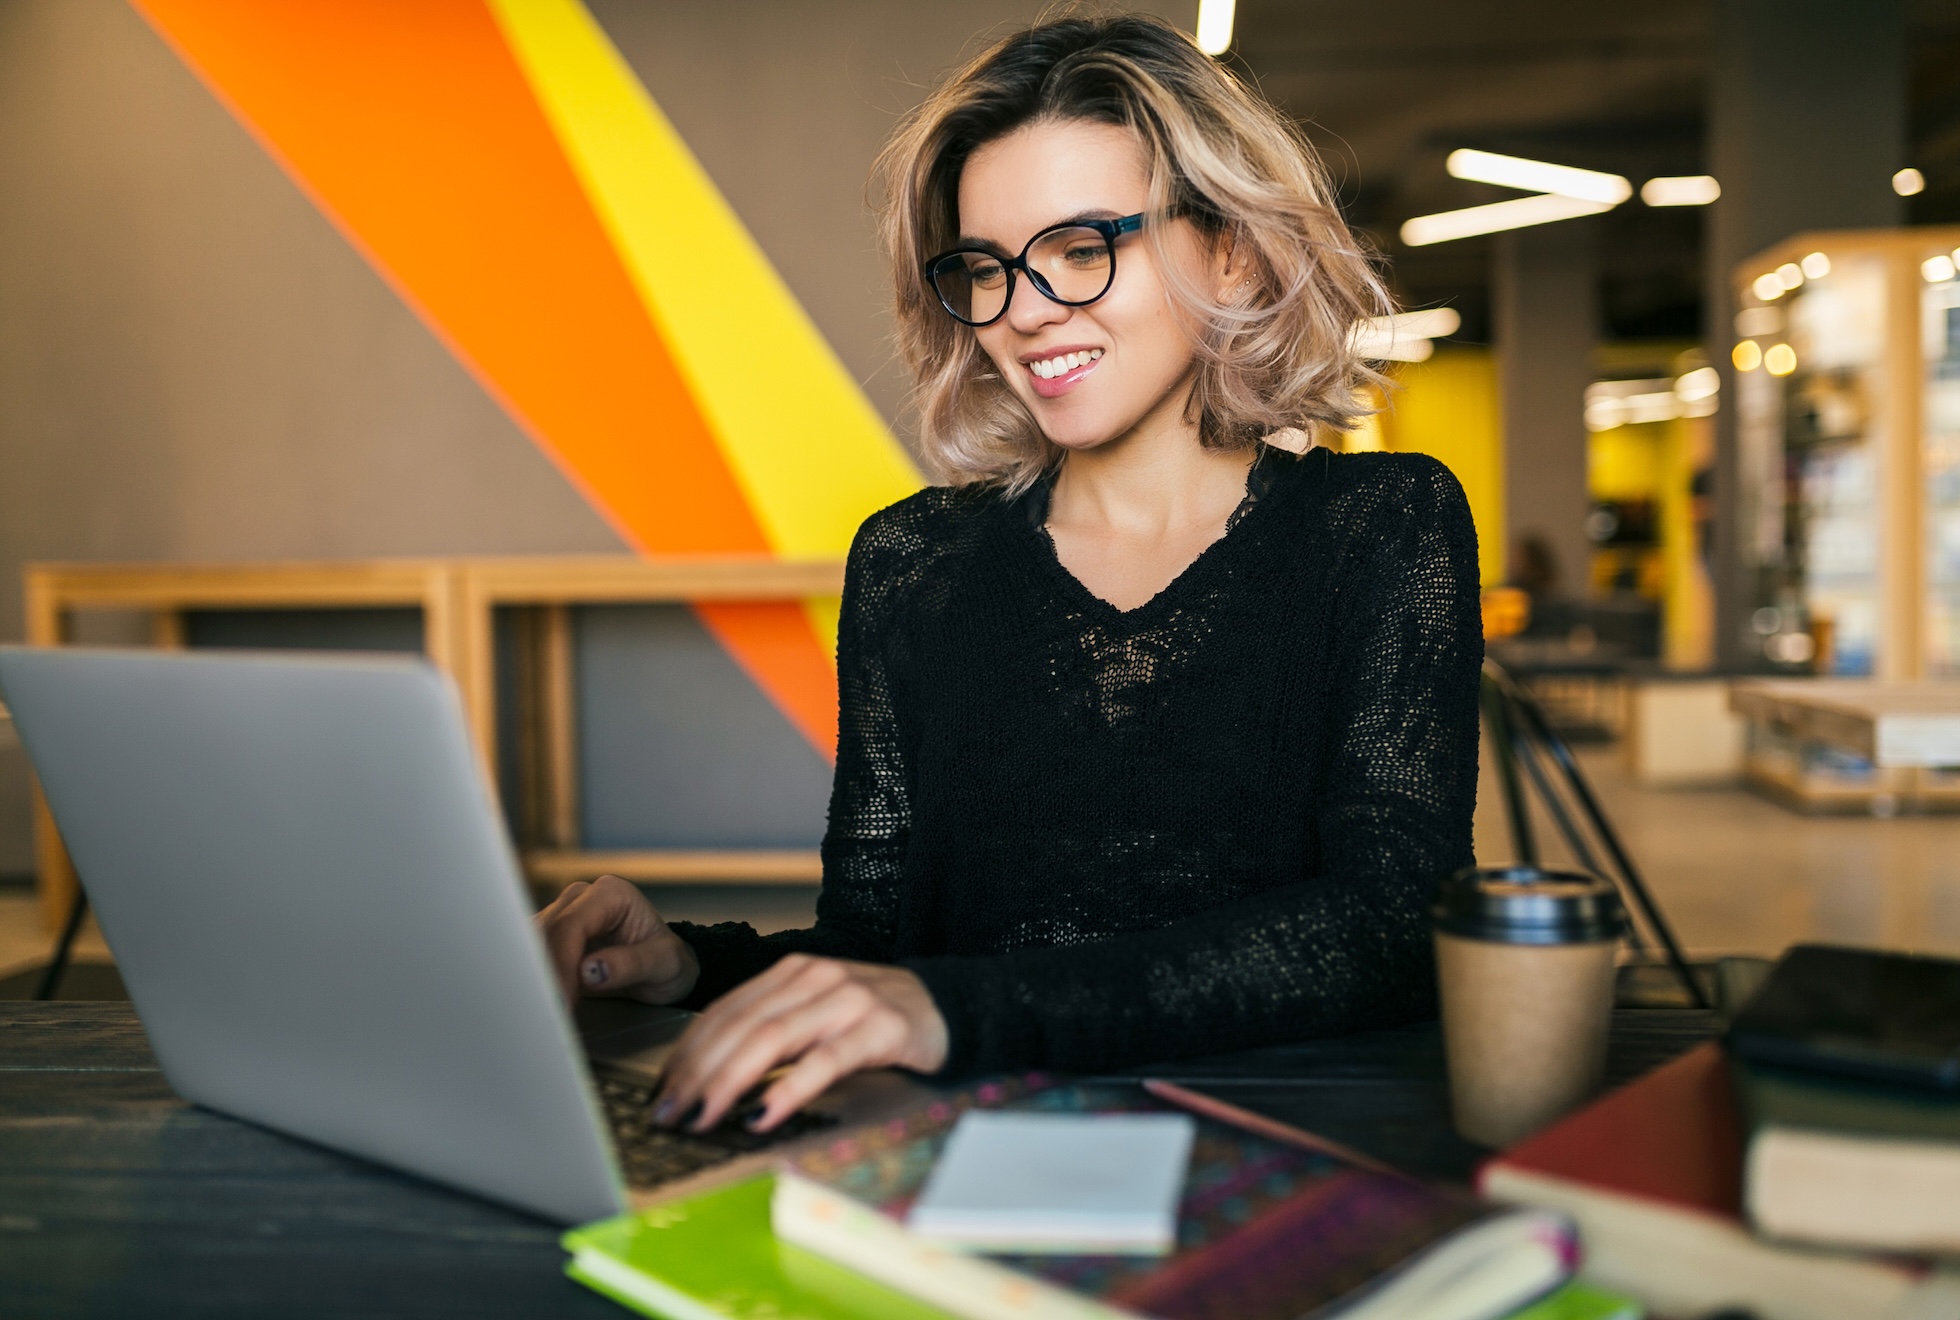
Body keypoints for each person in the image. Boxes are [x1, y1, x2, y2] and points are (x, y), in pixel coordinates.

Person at [536, 14, 1481, 1138]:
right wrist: (685, 964)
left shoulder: (1383, 527)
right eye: (983, 267)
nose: (1026, 310)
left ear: (1229, 246)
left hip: (1280, 1155)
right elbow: (882, 950)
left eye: (1083, 248)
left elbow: (1391, 925)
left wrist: (951, 1008)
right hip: (957, 1158)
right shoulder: (913, 563)